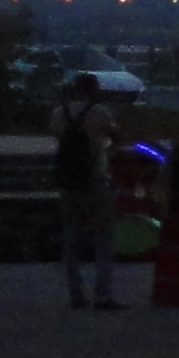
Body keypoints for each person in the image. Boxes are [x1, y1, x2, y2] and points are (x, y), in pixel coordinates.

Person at [55, 76, 123, 309]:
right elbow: (117, 138)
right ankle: (102, 293)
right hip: (95, 179)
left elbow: (59, 138)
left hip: (68, 181)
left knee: (71, 234)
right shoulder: (101, 112)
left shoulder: (59, 113)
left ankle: (75, 293)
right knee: (104, 235)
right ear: (94, 90)